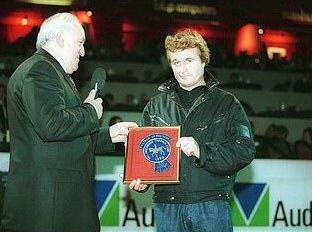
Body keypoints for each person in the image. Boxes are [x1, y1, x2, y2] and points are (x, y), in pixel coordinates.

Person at [0, 13, 137, 232]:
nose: (83, 51)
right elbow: (53, 125)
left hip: (54, 205)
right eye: (80, 43)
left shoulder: (49, 71)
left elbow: (65, 139)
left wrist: (111, 135)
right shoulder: (41, 70)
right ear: (62, 39)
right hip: (48, 208)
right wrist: (91, 111)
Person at [129, 29, 255, 232]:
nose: (182, 68)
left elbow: (244, 151)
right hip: (167, 206)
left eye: (189, 60)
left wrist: (201, 151)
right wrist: (143, 180)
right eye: (176, 62)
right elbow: (146, 157)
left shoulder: (227, 103)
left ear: (204, 61)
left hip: (211, 205)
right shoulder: (155, 106)